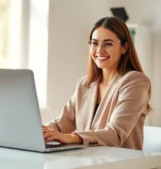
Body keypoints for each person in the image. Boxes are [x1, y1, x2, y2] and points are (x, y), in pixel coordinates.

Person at [43, 16, 152, 150]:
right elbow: (61, 124)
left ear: (124, 47)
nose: (99, 50)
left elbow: (115, 134)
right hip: (87, 161)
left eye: (108, 43)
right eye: (94, 43)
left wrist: (71, 138)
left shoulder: (135, 82)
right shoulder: (85, 84)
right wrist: (39, 132)